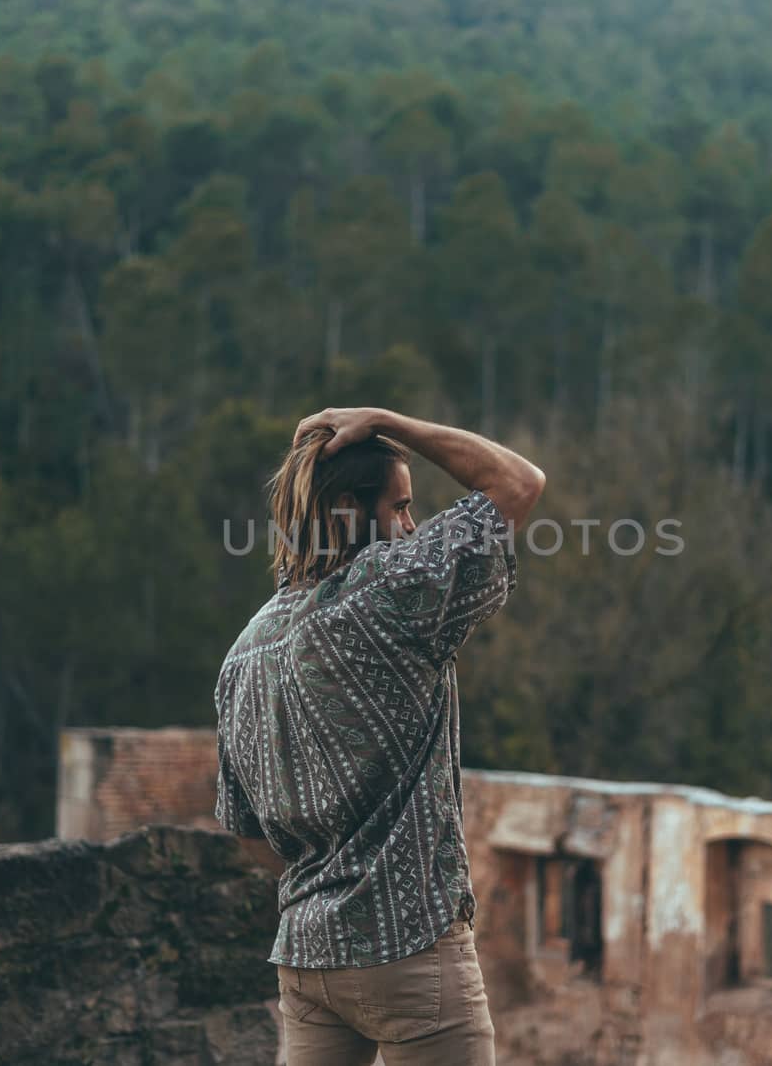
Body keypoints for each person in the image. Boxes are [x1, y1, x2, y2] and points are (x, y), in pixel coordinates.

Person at [213, 406, 545, 1065]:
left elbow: (247, 832)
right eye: (400, 506)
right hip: (413, 951)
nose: (413, 525)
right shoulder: (393, 589)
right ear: (345, 510)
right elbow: (518, 482)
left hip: (307, 964)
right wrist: (391, 421)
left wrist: (330, 884)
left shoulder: (245, 651)